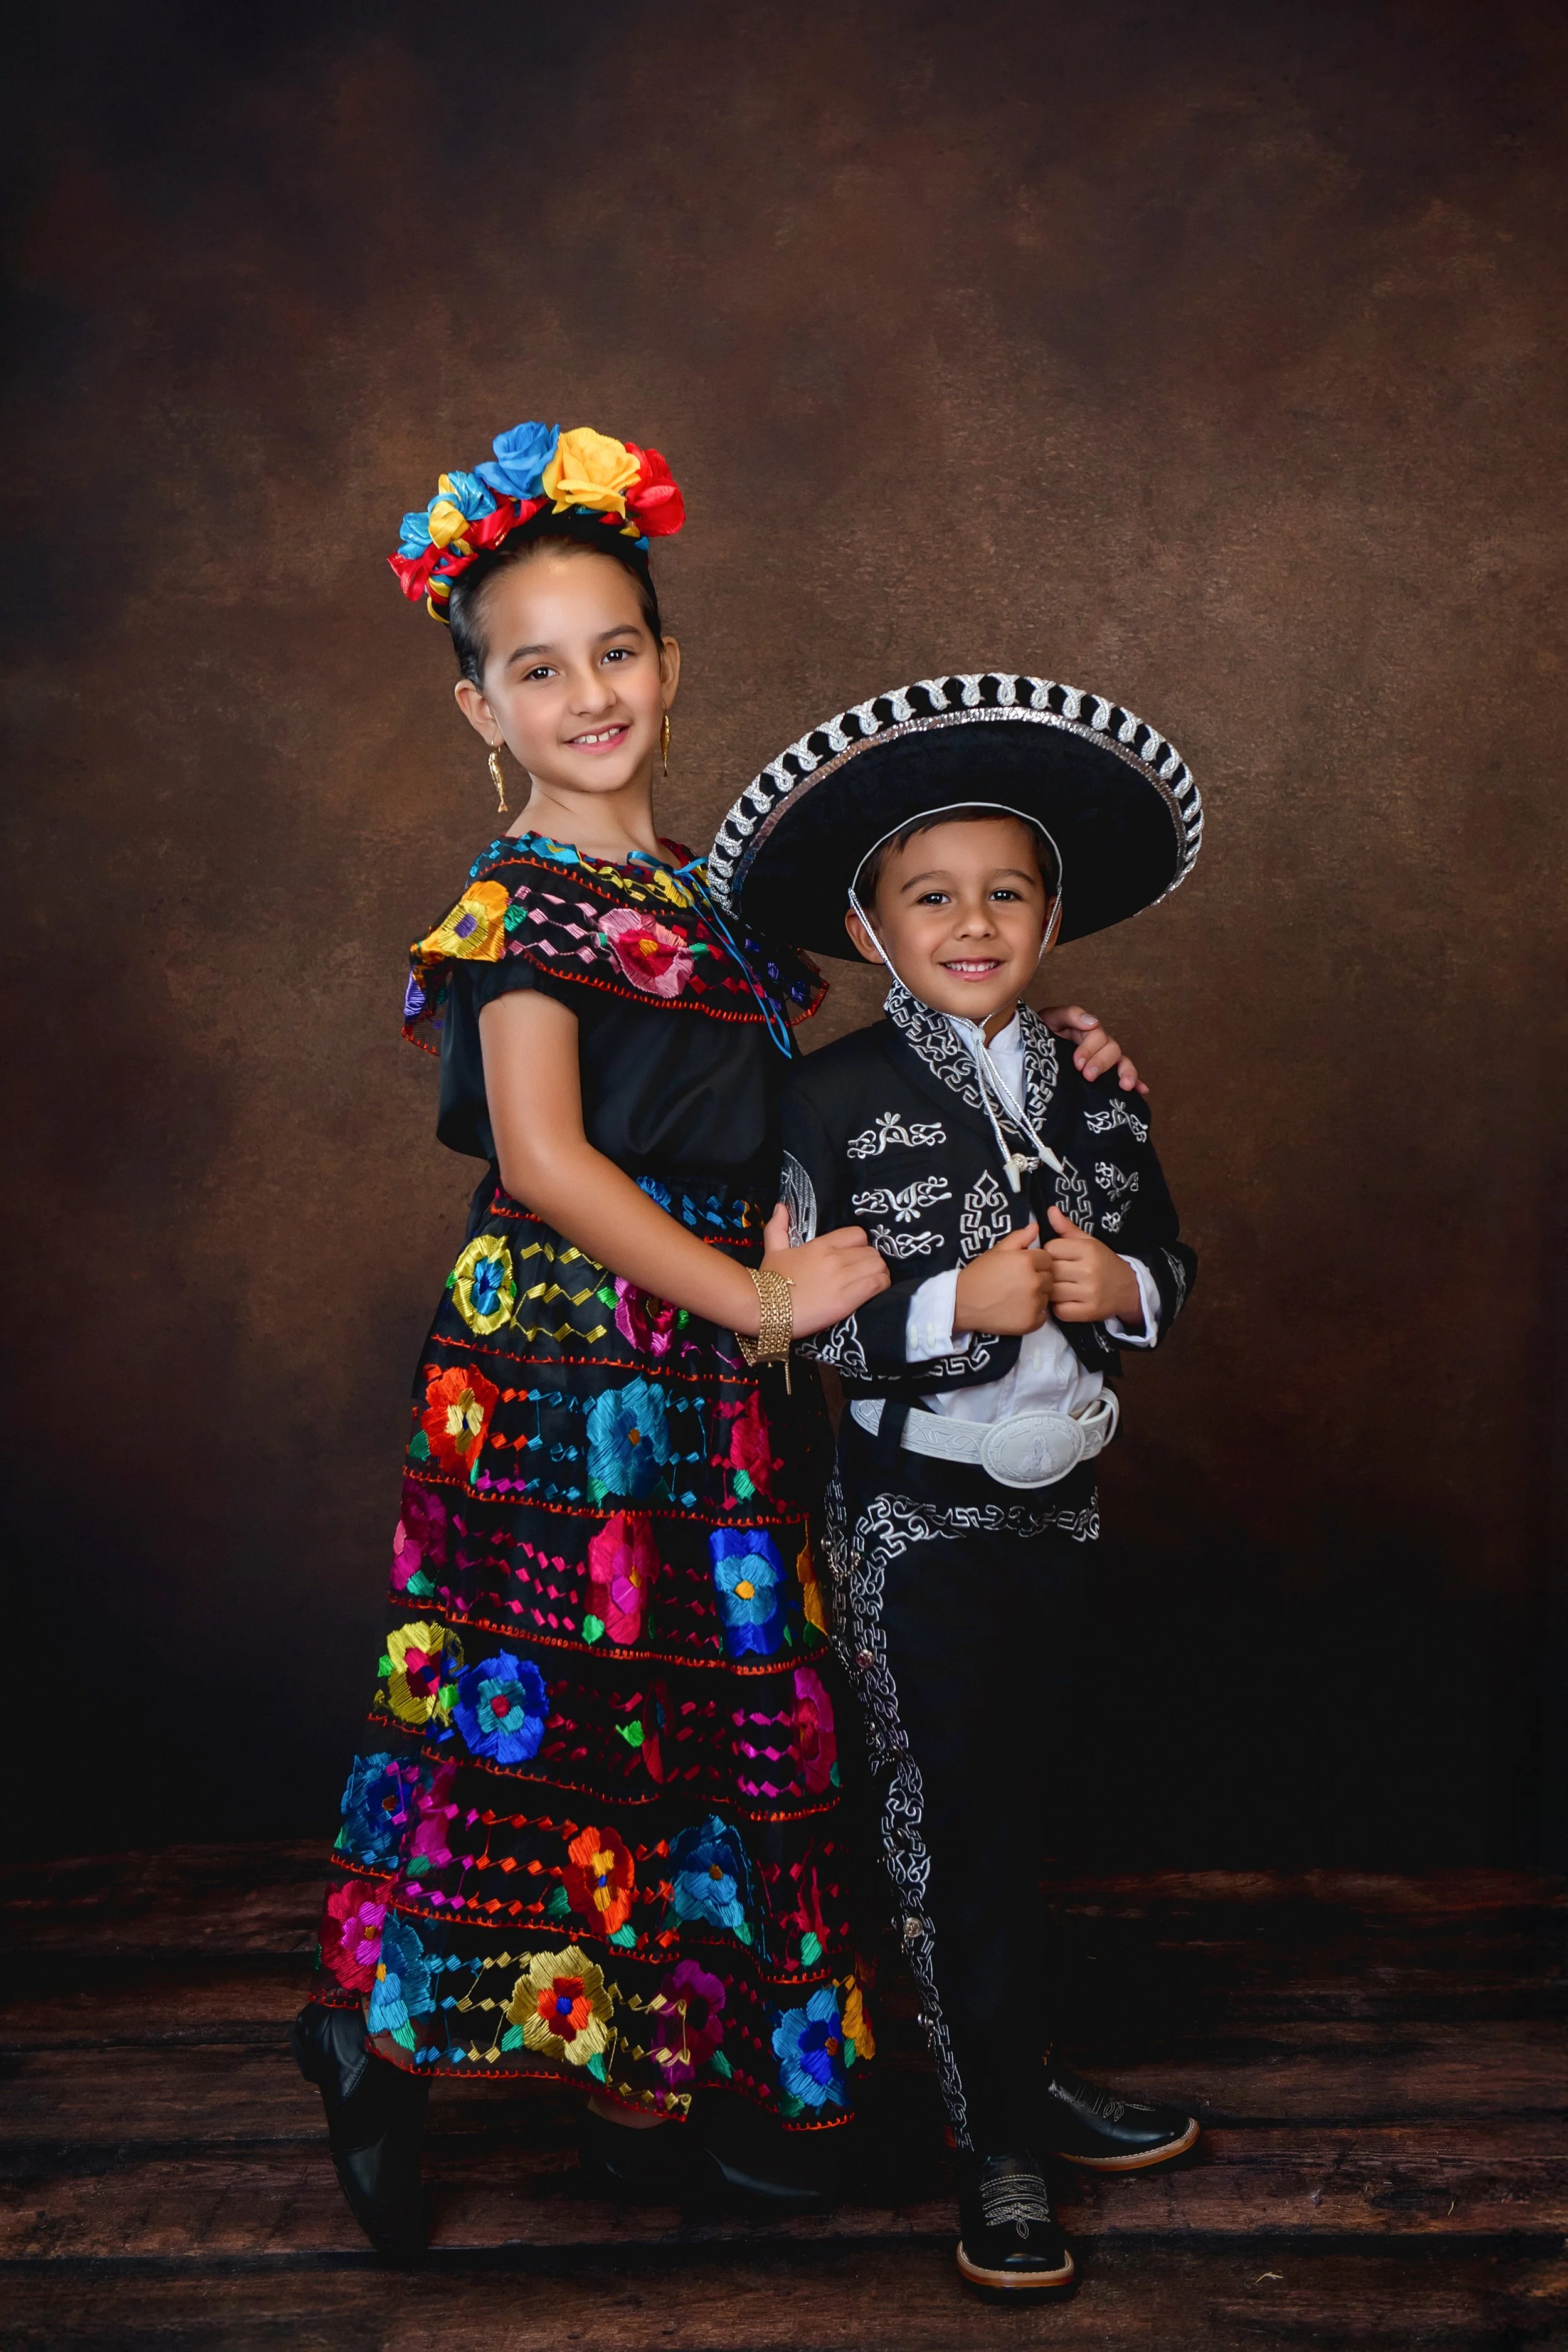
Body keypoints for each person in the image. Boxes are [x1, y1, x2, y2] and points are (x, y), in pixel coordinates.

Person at [290, 434, 1145, 2262]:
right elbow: (544, 1157)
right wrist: (752, 1297)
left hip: (708, 1384)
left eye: (615, 651)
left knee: (699, 1714)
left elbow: (850, 1075)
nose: (586, 693)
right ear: (479, 706)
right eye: (538, 666)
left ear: (667, 669)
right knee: (546, 1726)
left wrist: (1055, 1059)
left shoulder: (713, 903)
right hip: (563, 1381)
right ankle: (377, 2034)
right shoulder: (516, 907)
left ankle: (649, 2073)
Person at [705, 671, 1204, 2301]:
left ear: (1051, 914)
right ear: (869, 919)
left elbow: (1173, 1275)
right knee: (947, 1828)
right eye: (932, 893)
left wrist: (1104, 1282)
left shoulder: (1094, 1080)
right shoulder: (823, 1099)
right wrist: (950, 1307)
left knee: (1027, 1802)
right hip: (911, 1519)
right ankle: (989, 2139)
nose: (971, 919)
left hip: (1061, 1511)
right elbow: (777, 1330)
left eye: (1006, 890)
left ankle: (1017, 2064)